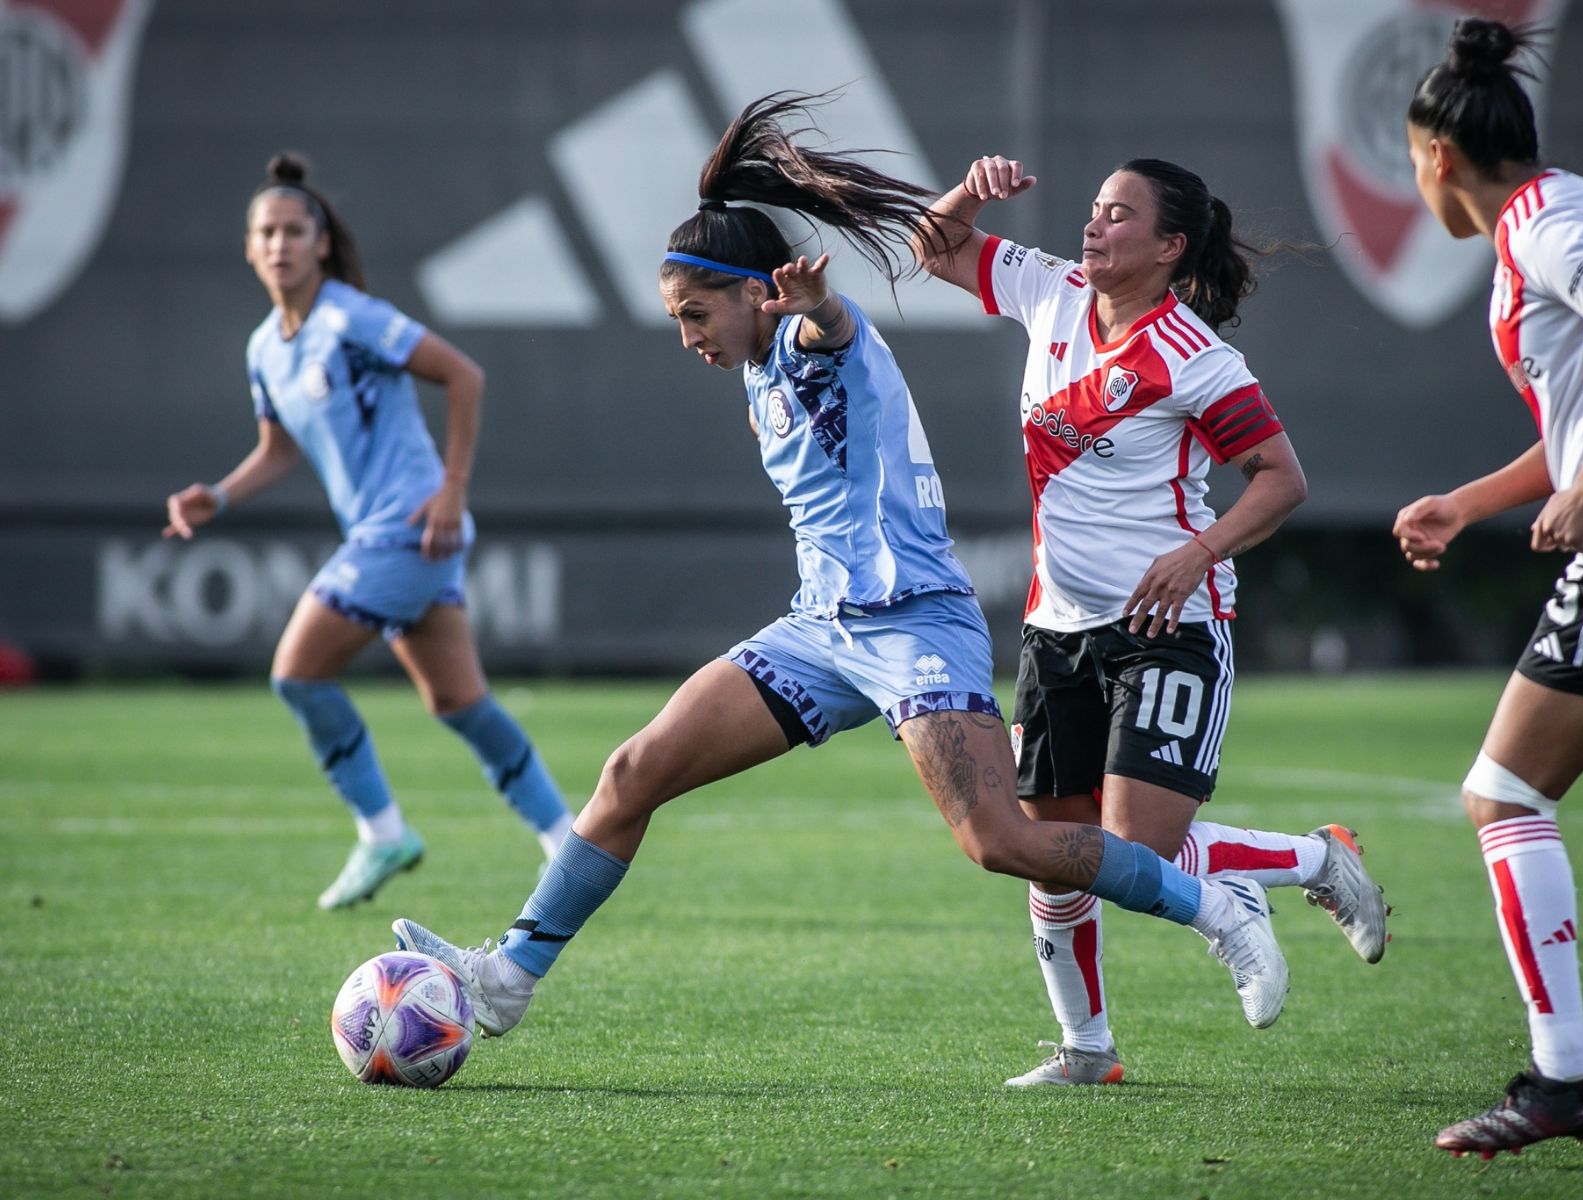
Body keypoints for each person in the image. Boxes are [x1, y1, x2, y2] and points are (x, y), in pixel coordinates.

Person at [391, 94, 1292, 1047]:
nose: (689, 334)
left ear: (755, 293)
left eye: (697, 312)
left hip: (914, 623)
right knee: (633, 769)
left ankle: (1220, 912)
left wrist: (817, 305)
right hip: (823, 628)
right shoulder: (751, 366)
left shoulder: (803, 337)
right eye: (675, 318)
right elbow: (920, 261)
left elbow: (832, 334)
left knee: (1000, 844)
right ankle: (506, 980)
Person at [912, 154, 1390, 1086]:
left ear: (1170, 247)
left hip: (1168, 625)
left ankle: (1313, 861)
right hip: (1057, 630)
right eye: (1093, 209)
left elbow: (1281, 480)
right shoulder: (1048, 291)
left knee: (1135, 853)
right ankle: (1088, 1051)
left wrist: (1199, 551)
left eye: (1119, 216)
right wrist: (969, 192)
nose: (1093, 227)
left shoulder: (1197, 359)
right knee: (1054, 857)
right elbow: (930, 246)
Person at [163, 152, 572, 910]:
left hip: (409, 528)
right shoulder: (265, 348)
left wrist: (452, 488)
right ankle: (568, 846)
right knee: (460, 703)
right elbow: (280, 448)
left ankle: (382, 831)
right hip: (396, 538)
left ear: (321, 243)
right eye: (267, 232)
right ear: (249, 248)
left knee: (297, 673)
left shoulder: (350, 317)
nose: (281, 243)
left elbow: (464, 375)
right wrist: (216, 497)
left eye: (294, 230)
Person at [1392, 18, 1583, 1159]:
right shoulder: (1546, 217)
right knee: (1506, 794)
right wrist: (1474, 502)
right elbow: (1575, 427)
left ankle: (1564, 1082)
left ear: (1436, 160)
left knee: (1504, 794)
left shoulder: (1548, 225)